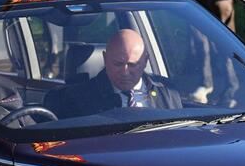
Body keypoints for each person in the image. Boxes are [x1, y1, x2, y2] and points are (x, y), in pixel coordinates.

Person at [45, 29, 183, 119]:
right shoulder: (77, 99)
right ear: (105, 59)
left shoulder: (167, 92)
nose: (125, 71)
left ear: (145, 61)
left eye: (132, 64)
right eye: (118, 64)